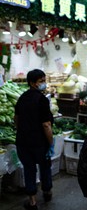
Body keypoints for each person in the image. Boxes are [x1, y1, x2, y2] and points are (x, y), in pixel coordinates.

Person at [14, 69, 53, 210]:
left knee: (29, 169)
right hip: (39, 142)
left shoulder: (22, 97)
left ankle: (32, 202)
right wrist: (51, 143)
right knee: (45, 167)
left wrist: (22, 131)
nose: (44, 83)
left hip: (23, 141)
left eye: (44, 80)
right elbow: (46, 125)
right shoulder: (42, 100)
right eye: (41, 81)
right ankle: (47, 192)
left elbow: (16, 119)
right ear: (32, 83)